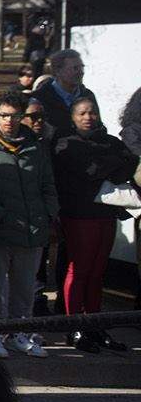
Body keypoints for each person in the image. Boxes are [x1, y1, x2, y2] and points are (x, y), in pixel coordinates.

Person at [0, 92, 57, 358]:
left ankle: (20, 333)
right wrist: (0, 217)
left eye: (15, 116)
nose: (9, 121)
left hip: (31, 230)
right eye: (4, 115)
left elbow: (48, 185)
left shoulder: (35, 148)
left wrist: (47, 213)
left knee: (24, 288)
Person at [51, 98, 139, 352]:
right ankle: (73, 325)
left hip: (105, 213)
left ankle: (95, 324)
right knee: (79, 270)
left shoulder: (109, 141)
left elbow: (127, 164)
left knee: (98, 272)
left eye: (93, 112)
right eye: (83, 113)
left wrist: (105, 165)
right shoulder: (66, 143)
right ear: (73, 117)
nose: (89, 116)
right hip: (79, 215)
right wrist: (108, 165)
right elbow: (88, 170)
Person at [31, 49, 96, 137]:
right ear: (58, 71)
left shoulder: (87, 95)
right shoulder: (41, 98)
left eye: (82, 67)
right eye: (75, 68)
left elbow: (98, 126)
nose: (81, 72)